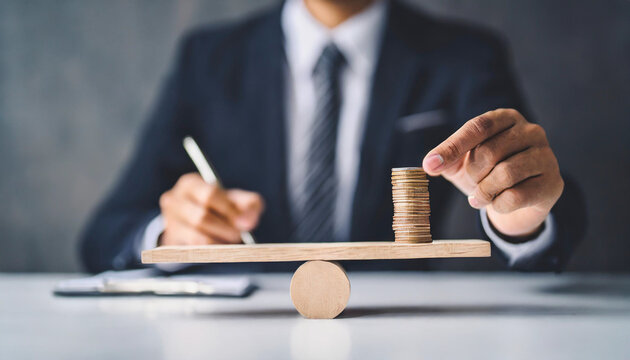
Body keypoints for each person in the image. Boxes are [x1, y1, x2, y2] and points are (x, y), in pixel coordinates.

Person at [80, 0, 584, 274]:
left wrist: (520, 216)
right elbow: (105, 235)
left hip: (408, 334)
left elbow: (542, 192)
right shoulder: (208, 59)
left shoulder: (463, 56)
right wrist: (170, 234)